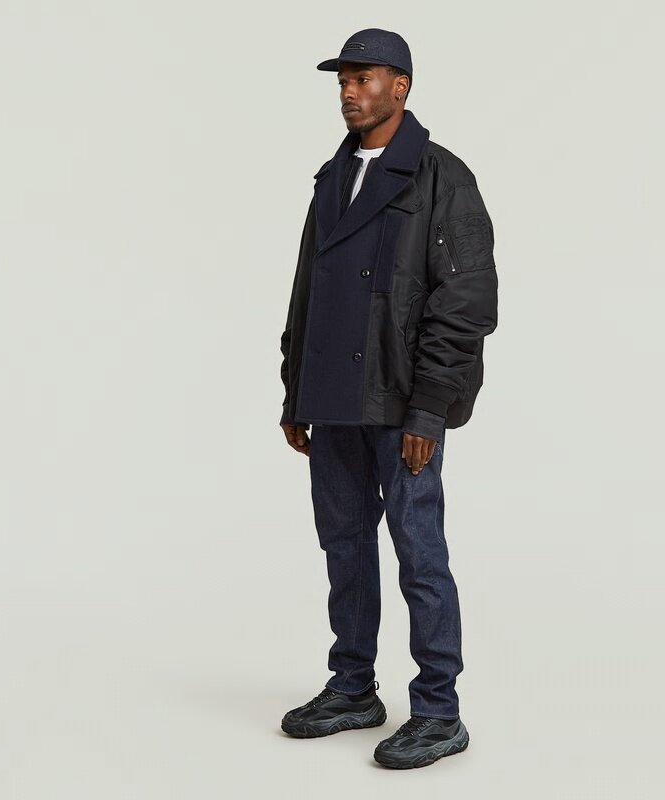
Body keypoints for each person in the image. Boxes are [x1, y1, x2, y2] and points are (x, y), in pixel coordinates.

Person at [278, 27, 499, 769]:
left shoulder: (443, 178)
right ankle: (353, 687)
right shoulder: (332, 176)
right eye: (343, 80)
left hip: (403, 404)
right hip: (334, 398)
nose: (349, 92)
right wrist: (295, 392)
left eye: (363, 78)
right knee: (343, 546)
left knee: (418, 553)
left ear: (400, 86)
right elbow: (309, 289)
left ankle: (439, 709)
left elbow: (465, 303)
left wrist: (429, 409)